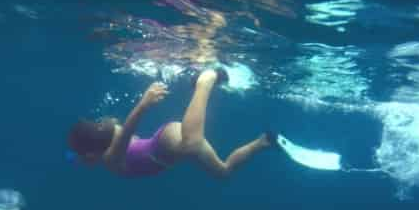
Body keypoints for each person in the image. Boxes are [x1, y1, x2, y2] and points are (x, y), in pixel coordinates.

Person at [66, 68, 278, 178]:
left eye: (86, 157)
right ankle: (262, 142)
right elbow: (112, 136)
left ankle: (206, 80)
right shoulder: (107, 139)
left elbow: (124, 133)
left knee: (191, 144)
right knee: (223, 172)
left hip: (164, 143)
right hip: (167, 148)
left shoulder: (111, 160)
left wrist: (143, 104)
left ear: (91, 153)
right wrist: (77, 156)